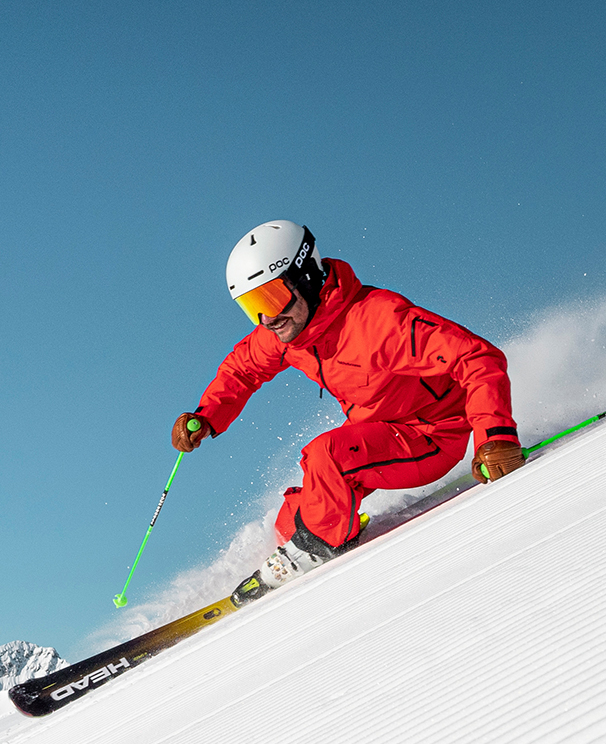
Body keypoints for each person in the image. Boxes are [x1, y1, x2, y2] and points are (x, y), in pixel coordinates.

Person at [171, 220, 524, 580]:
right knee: (295, 515)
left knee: (327, 457)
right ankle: (306, 545)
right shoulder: (287, 334)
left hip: (431, 434)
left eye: (271, 298)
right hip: (376, 432)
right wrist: (208, 414)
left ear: (305, 276)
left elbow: (477, 357)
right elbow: (243, 369)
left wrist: (495, 436)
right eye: (252, 306)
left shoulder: (378, 320)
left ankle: (320, 549)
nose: (267, 318)